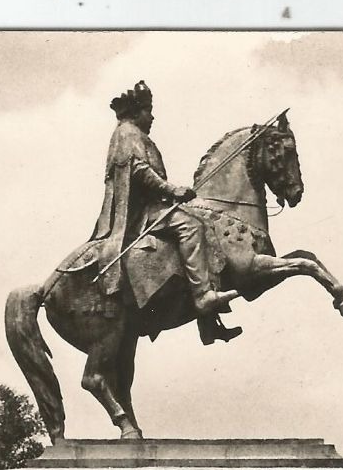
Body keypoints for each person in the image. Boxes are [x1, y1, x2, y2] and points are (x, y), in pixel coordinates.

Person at [89, 81, 241, 345]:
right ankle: (204, 296)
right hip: (142, 214)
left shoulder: (135, 134)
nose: (152, 116)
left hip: (154, 206)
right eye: (148, 110)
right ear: (137, 112)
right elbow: (139, 171)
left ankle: (209, 322)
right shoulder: (128, 132)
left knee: (203, 222)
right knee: (192, 226)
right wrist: (173, 191)